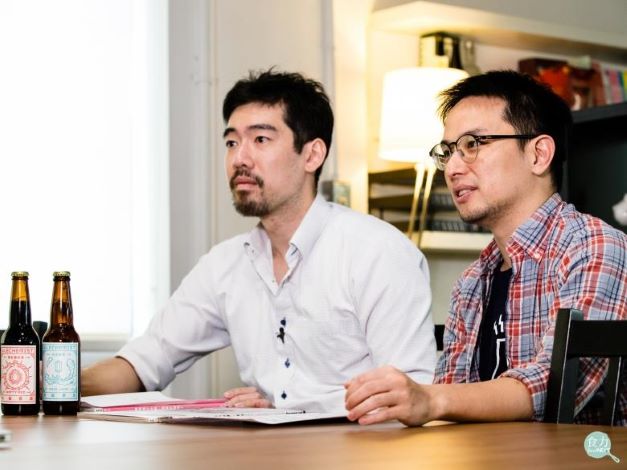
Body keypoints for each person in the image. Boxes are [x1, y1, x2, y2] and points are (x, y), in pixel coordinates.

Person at [81, 70, 436, 412]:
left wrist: (290, 411)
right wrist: (48, 385)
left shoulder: (378, 252)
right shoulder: (226, 265)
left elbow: (409, 393)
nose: (239, 158)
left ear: (312, 154)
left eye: (260, 140)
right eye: (232, 142)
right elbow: (146, 360)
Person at [345, 70, 627, 425]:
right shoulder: (472, 281)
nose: (453, 168)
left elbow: (556, 384)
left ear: (539, 154)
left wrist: (432, 399)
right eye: (448, 152)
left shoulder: (594, 247)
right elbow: (453, 395)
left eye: (472, 145)